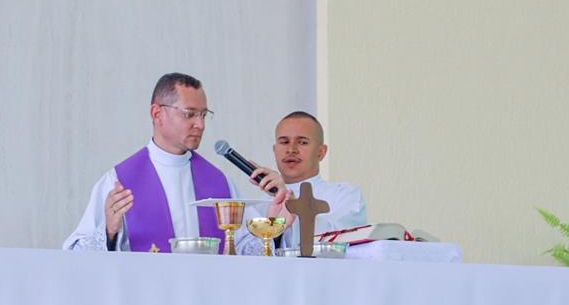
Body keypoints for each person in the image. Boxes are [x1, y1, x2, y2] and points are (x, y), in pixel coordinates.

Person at [63, 72, 289, 253]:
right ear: (157, 114)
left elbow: (242, 251)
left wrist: (274, 225)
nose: (200, 125)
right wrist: (109, 231)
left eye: (203, 114)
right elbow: (75, 255)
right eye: (190, 114)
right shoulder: (118, 183)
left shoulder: (220, 183)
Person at [252, 111, 367, 249]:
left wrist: (291, 203)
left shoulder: (345, 195)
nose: (291, 149)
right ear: (275, 151)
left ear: (321, 152)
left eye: (302, 142)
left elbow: (341, 240)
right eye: (284, 142)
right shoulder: (258, 205)